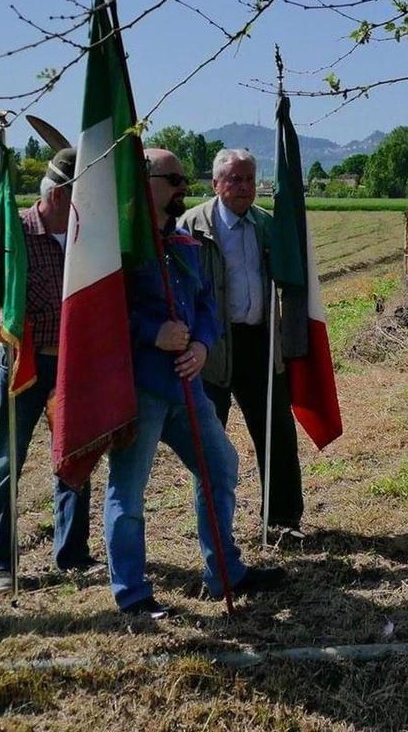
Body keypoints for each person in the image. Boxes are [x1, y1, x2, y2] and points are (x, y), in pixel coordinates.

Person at [102, 149, 285, 618]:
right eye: (175, 178)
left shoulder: (181, 244)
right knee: (129, 490)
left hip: (187, 385)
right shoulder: (122, 250)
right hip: (143, 387)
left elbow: (204, 300)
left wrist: (202, 344)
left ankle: (223, 572)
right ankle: (132, 593)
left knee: (221, 465)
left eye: (185, 178)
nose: (185, 186)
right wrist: (152, 332)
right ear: (146, 184)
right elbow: (101, 316)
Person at [0, 149, 98, 593]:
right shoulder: (14, 230)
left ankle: (73, 554)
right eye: (77, 194)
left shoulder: (89, 234)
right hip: (24, 366)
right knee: (7, 464)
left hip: (72, 365)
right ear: (58, 192)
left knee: (74, 458)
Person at [178, 148, 305, 538]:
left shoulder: (265, 225)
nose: (244, 187)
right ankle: (216, 529)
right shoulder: (192, 227)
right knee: (211, 444)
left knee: (277, 433)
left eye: (249, 179)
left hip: (259, 342)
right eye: (234, 179)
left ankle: (282, 521)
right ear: (216, 184)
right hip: (211, 346)